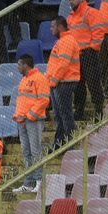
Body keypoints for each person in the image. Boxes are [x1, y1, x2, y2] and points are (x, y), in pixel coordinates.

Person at [13, 54, 50, 189]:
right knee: (26, 152)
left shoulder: (39, 78)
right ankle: (29, 183)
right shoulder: (24, 80)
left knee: (35, 151)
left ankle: (39, 182)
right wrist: (19, 116)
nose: (18, 67)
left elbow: (44, 100)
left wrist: (30, 115)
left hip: (33, 120)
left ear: (25, 65)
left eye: (19, 64)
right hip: (22, 120)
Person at [65, 0, 103, 122]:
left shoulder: (90, 12)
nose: (71, 2)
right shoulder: (70, 18)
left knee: (93, 83)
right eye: (69, 0)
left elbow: (98, 31)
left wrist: (93, 48)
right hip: (76, 56)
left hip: (88, 53)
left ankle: (99, 110)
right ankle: (79, 111)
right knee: (78, 86)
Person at [46, 16, 80, 149]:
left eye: (52, 26)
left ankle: (69, 143)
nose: (50, 29)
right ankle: (59, 142)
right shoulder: (63, 41)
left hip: (64, 82)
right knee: (59, 115)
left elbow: (63, 64)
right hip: (59, 82)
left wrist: (53, 81)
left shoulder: (66, 41)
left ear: (60, 27)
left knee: (65, 114)